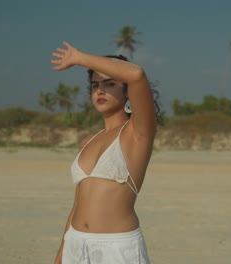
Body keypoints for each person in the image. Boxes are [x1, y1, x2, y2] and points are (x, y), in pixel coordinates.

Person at [51, 41, 160, 264]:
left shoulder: (137, 134)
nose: (99, 90)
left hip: (117, 249)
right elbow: (78, 203)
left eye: (109, 84)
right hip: (76, 244)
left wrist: (80, 58)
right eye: (94, 85)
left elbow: (137, 74)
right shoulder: (87, 141)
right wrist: (62, 251)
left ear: (128, 93)